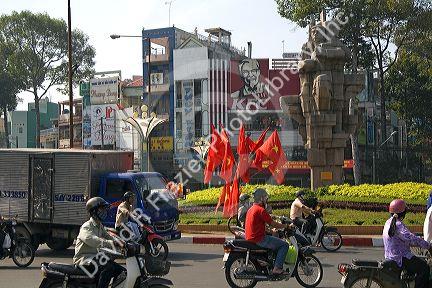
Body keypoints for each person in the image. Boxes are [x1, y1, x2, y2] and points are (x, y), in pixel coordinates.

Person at [73, 197, 125, 288]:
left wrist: (121, 243)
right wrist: (111, 243)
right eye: (102, 209)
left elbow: (109, 236)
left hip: (95, 258)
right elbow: (92, 240)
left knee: (121, 271)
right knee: (108, 268)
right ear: (94, 211)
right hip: (84, 260)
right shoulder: (87, 226)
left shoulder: (99, 225)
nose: (105, 211)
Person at [383, 199, 432, 288]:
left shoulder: (388, 222)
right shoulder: (398, 225)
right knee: (424, 267)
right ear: (403, 212)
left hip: (390, 255)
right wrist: (428, 246)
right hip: (400, 257)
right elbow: (410, 238)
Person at [245, 188, 290, 276]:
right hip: (259, 239)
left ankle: (271, 263)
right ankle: (277, 268)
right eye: (265, 198)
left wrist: (269, 230)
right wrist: (286, 226)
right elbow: (273, 223)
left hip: (252, 237)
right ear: (261, 198)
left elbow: (258, 225)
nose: (266, 200)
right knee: (284, 245)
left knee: (275, 240)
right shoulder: (261, 210)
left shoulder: (251, 209)